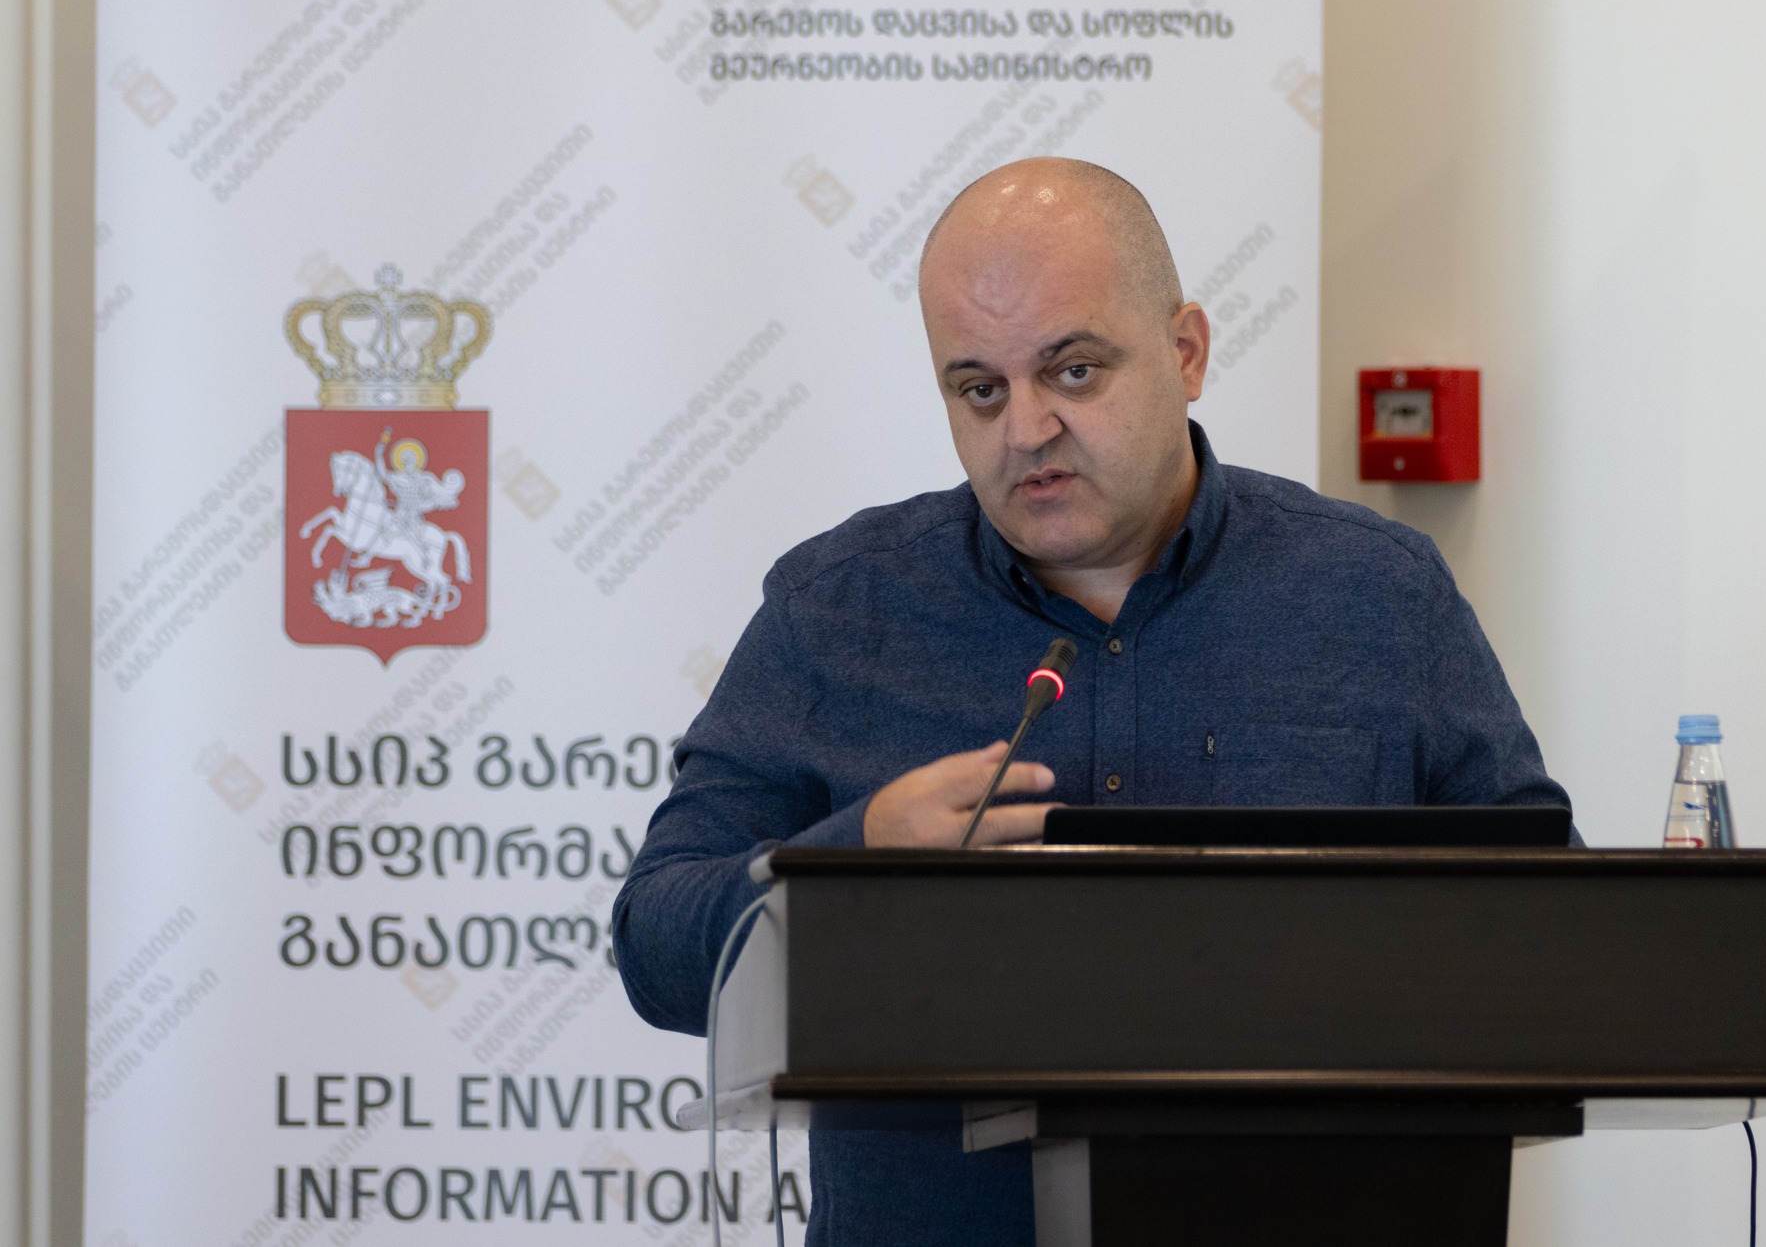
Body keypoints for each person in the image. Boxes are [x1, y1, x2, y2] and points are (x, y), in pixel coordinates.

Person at [612, 158, 1570, 1246]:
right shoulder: (838, 609)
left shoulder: (1378, 594)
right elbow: (655, 943)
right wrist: (854, 860)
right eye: (979, 389)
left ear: (1186, 351)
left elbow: (1549, 937)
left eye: (1072, 371)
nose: (1025, 428)